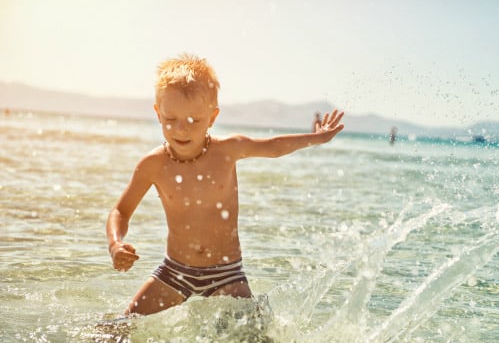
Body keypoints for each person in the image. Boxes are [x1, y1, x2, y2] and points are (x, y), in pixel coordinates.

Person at [107, 54, 344, 316]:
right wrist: (116, 244)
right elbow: (121, 211)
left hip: (227, 274)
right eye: (170, 119)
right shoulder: (153, 164)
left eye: (194, 120)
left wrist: (316, 138)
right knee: (117, 330)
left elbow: (274, 147)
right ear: (157, 113)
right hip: (174, 271)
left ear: (212, 117)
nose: (181, 130)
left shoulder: (228, 150)